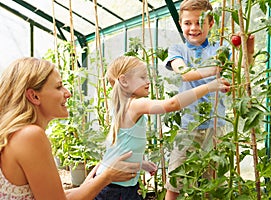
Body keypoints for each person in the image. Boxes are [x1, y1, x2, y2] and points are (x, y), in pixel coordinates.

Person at [0, 57, 141, 200]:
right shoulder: (29, 135)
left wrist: (96, 178)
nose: (68, 93)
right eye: (58, 87)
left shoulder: (14, 134)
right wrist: (108, 176)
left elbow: (53, 196)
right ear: (34, 96)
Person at [93, 55, 230, 200]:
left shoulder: (123, 106)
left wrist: (141, 164)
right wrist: (209, 87)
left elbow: (122, 148)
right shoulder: (133, 105)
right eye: (142, 77)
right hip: (114, 189)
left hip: (118, 185)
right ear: (124, 81)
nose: (148, 81)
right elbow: (172, 104)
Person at [164, 0, 255, 199]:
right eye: (188, 23)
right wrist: (215, 70)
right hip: (188, 128)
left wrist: (248, 48)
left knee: (212, 183)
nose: (193, 28)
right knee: (175, 182)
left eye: (199, 22)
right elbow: (185, 73)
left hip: (217, 127)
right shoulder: (178, 50)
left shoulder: (221, 49)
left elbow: (241, 70)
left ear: (211, 23)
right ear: (181, 24)